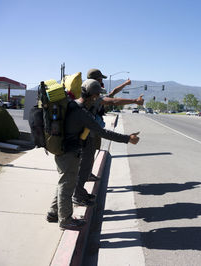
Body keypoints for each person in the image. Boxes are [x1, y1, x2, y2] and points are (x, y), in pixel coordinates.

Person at [47, 79, 140, 230]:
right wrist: (127, 139)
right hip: (69, 152)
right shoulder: (81, 113)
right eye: (97, 95)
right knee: (67, 185)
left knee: (64, 181)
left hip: (61, 148)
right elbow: (103, 132)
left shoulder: (72, 104)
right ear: (94, 96)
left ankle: (53, 212)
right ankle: (65, 220)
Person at [72, 69, 144, 206]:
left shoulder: (87, 92)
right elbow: (113, 100)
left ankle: (79, 191)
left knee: (85, 163)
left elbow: (113, 94)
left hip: (86, 132)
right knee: (84, 164)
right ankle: (77, 194)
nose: (102, 81)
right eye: (100, 79)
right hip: (87, 133)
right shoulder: (90, 97)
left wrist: (125, 84)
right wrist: (128, 138)